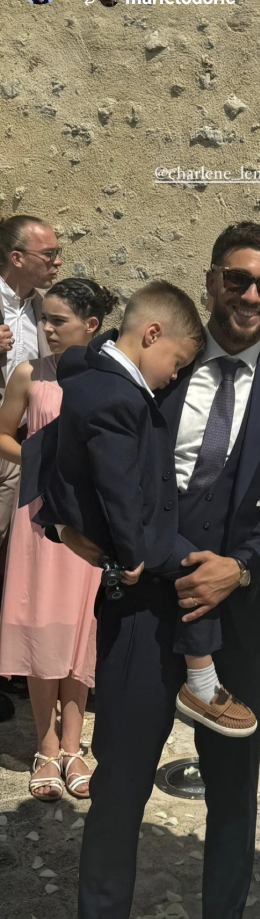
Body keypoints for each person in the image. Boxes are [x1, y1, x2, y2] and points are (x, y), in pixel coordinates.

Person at [27, 222, 260, 919]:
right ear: (212, 279)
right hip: (141, 618)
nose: (252, 294)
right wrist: (64, 523)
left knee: (233, 797)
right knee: (119, 794)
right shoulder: (157, 364)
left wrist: (243, 567)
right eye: (237, 278)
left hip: (237, 628)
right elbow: (66, 425)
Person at [36, 280, 256, 736]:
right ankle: (202, 683)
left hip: (106, 521)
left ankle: (200, 679)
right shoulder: (117, 397)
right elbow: (117, 483)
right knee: (196, 572)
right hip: (127, 530)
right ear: (151, 334)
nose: (175, 375)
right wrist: (133, 551)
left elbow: (80, 359)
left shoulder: (89, 367)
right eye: (176, 362)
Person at [0, 279, 116, 801]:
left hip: (89, 525)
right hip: (40, 523)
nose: (44, 328)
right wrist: (41, 463)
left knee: (80, 629)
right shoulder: (28, 373)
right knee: (40, 627)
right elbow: (2, 433)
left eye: (57, 320)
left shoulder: (110, 379)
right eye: (43, 319)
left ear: (90, 326)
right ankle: (45, 745)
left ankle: (75, 744)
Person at [0, 215, 61, 723]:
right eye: (49, 254)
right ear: (17, 258)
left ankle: (12, 673)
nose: (57, 262)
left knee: (11, 563)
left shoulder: (40, 310)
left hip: (19, 451)